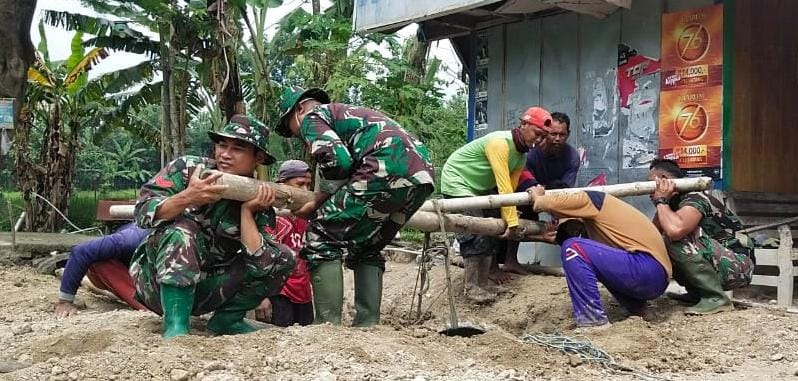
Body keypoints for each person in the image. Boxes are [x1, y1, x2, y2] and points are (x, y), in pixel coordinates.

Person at [276, 86, 435, 327]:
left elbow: (339, 162)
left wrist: (317, 200)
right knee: (368, 244)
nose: (298, 135)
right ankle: (367, 325)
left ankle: (327, 327)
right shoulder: (346, 115)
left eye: (290, 127)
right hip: (421, 176)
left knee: (320, 235)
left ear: (298, 109)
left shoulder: (312, 117)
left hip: (386, 166)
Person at [130, 114, 295, 339]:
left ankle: (226, 322)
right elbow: (142, 214)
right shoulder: (187, 169)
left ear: (258, 157)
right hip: (156, 282)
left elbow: (263, 266)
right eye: (222, 145)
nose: (225, 154)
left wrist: (247, 212)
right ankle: (176, 327)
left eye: (237, 148)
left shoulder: (257, 195)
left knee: (283, 258)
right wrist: (187, 196)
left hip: (208, 288)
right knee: (183, 231)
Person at [440, 106, 552, 303]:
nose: (539, 140)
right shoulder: (500, 143)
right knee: (475, 229)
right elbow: (504, 188)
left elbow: (512, 190)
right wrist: (513, 223)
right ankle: (473, 286)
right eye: (537, 133)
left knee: (493, 228)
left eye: (543, 137)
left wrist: (509, 219)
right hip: (458, 182)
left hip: (480, 189)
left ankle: (487, 279)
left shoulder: (520, 156)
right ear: (524, 125)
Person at [530, 186, 672, 330]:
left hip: (647, 268)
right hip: (656, 277)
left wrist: (538, 196)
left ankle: (592, 321)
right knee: (583, 253)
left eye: (557, 220)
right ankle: (639, 310)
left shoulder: (590, 199)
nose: (558, 224)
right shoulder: (597, 225)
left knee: (573, 247)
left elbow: (543, 204)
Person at [648, 159, 754, 315]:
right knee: (661, 241)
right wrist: (663, 204)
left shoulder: (695, 197)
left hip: (739, 265)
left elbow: (675, 230)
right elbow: (653, 236)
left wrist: (661, 200)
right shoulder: (674, 203)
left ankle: (715, 298)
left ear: (664, 179)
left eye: (651, 182)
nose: (649, 190)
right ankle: (697, 294)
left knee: (674, 239)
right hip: (721, 260)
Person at [503, 112, 580, 277]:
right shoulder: (530, 153)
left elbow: (565, 190)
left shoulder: (572, 157)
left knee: (576, 221)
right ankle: (510, 260)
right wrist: (538, 190)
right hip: (526, 195)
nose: (557, 138)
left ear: (568, 134)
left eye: (562, 134)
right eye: (553, 133)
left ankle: (576, 265)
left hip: (555, 197)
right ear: (546, 133)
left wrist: (560, 216)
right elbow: (523, 182)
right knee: (519, 211)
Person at [256, 160, 314, 327]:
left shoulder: (308, 216)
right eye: (299, 184)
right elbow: (262, 257)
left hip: (303, 291)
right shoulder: (272, 217)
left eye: (308, 185)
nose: (305, 190)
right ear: (282, 185)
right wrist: (262, 296)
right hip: (280, 291)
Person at [55, 223, 150, 318]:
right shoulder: (130, 239)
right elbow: (82, 252)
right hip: (112, 270)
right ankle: (145, 307)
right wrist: (65, 301)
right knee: (101, 261)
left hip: (141, 273)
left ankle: (83, 281)